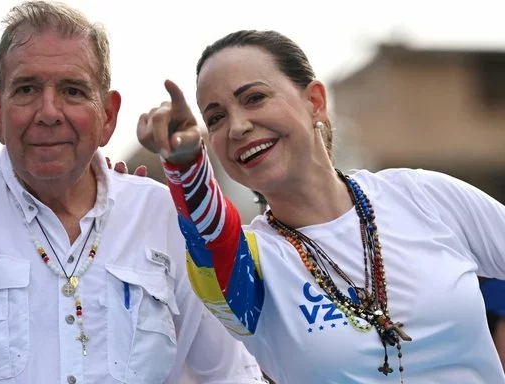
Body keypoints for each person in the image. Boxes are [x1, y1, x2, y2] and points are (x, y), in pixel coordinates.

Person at [0, 4, 267, 383]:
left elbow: (230, 375)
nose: (48, 112)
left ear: (108, 117)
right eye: (27, 89)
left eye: (72, 91)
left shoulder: (163, 218)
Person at [137, 29, 505, 383]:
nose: (238, 126)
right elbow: (211, 237)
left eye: (254, 98)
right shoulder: (250, 264)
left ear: (314, 101)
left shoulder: (422, 196)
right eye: (215, 118)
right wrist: (186, 165)